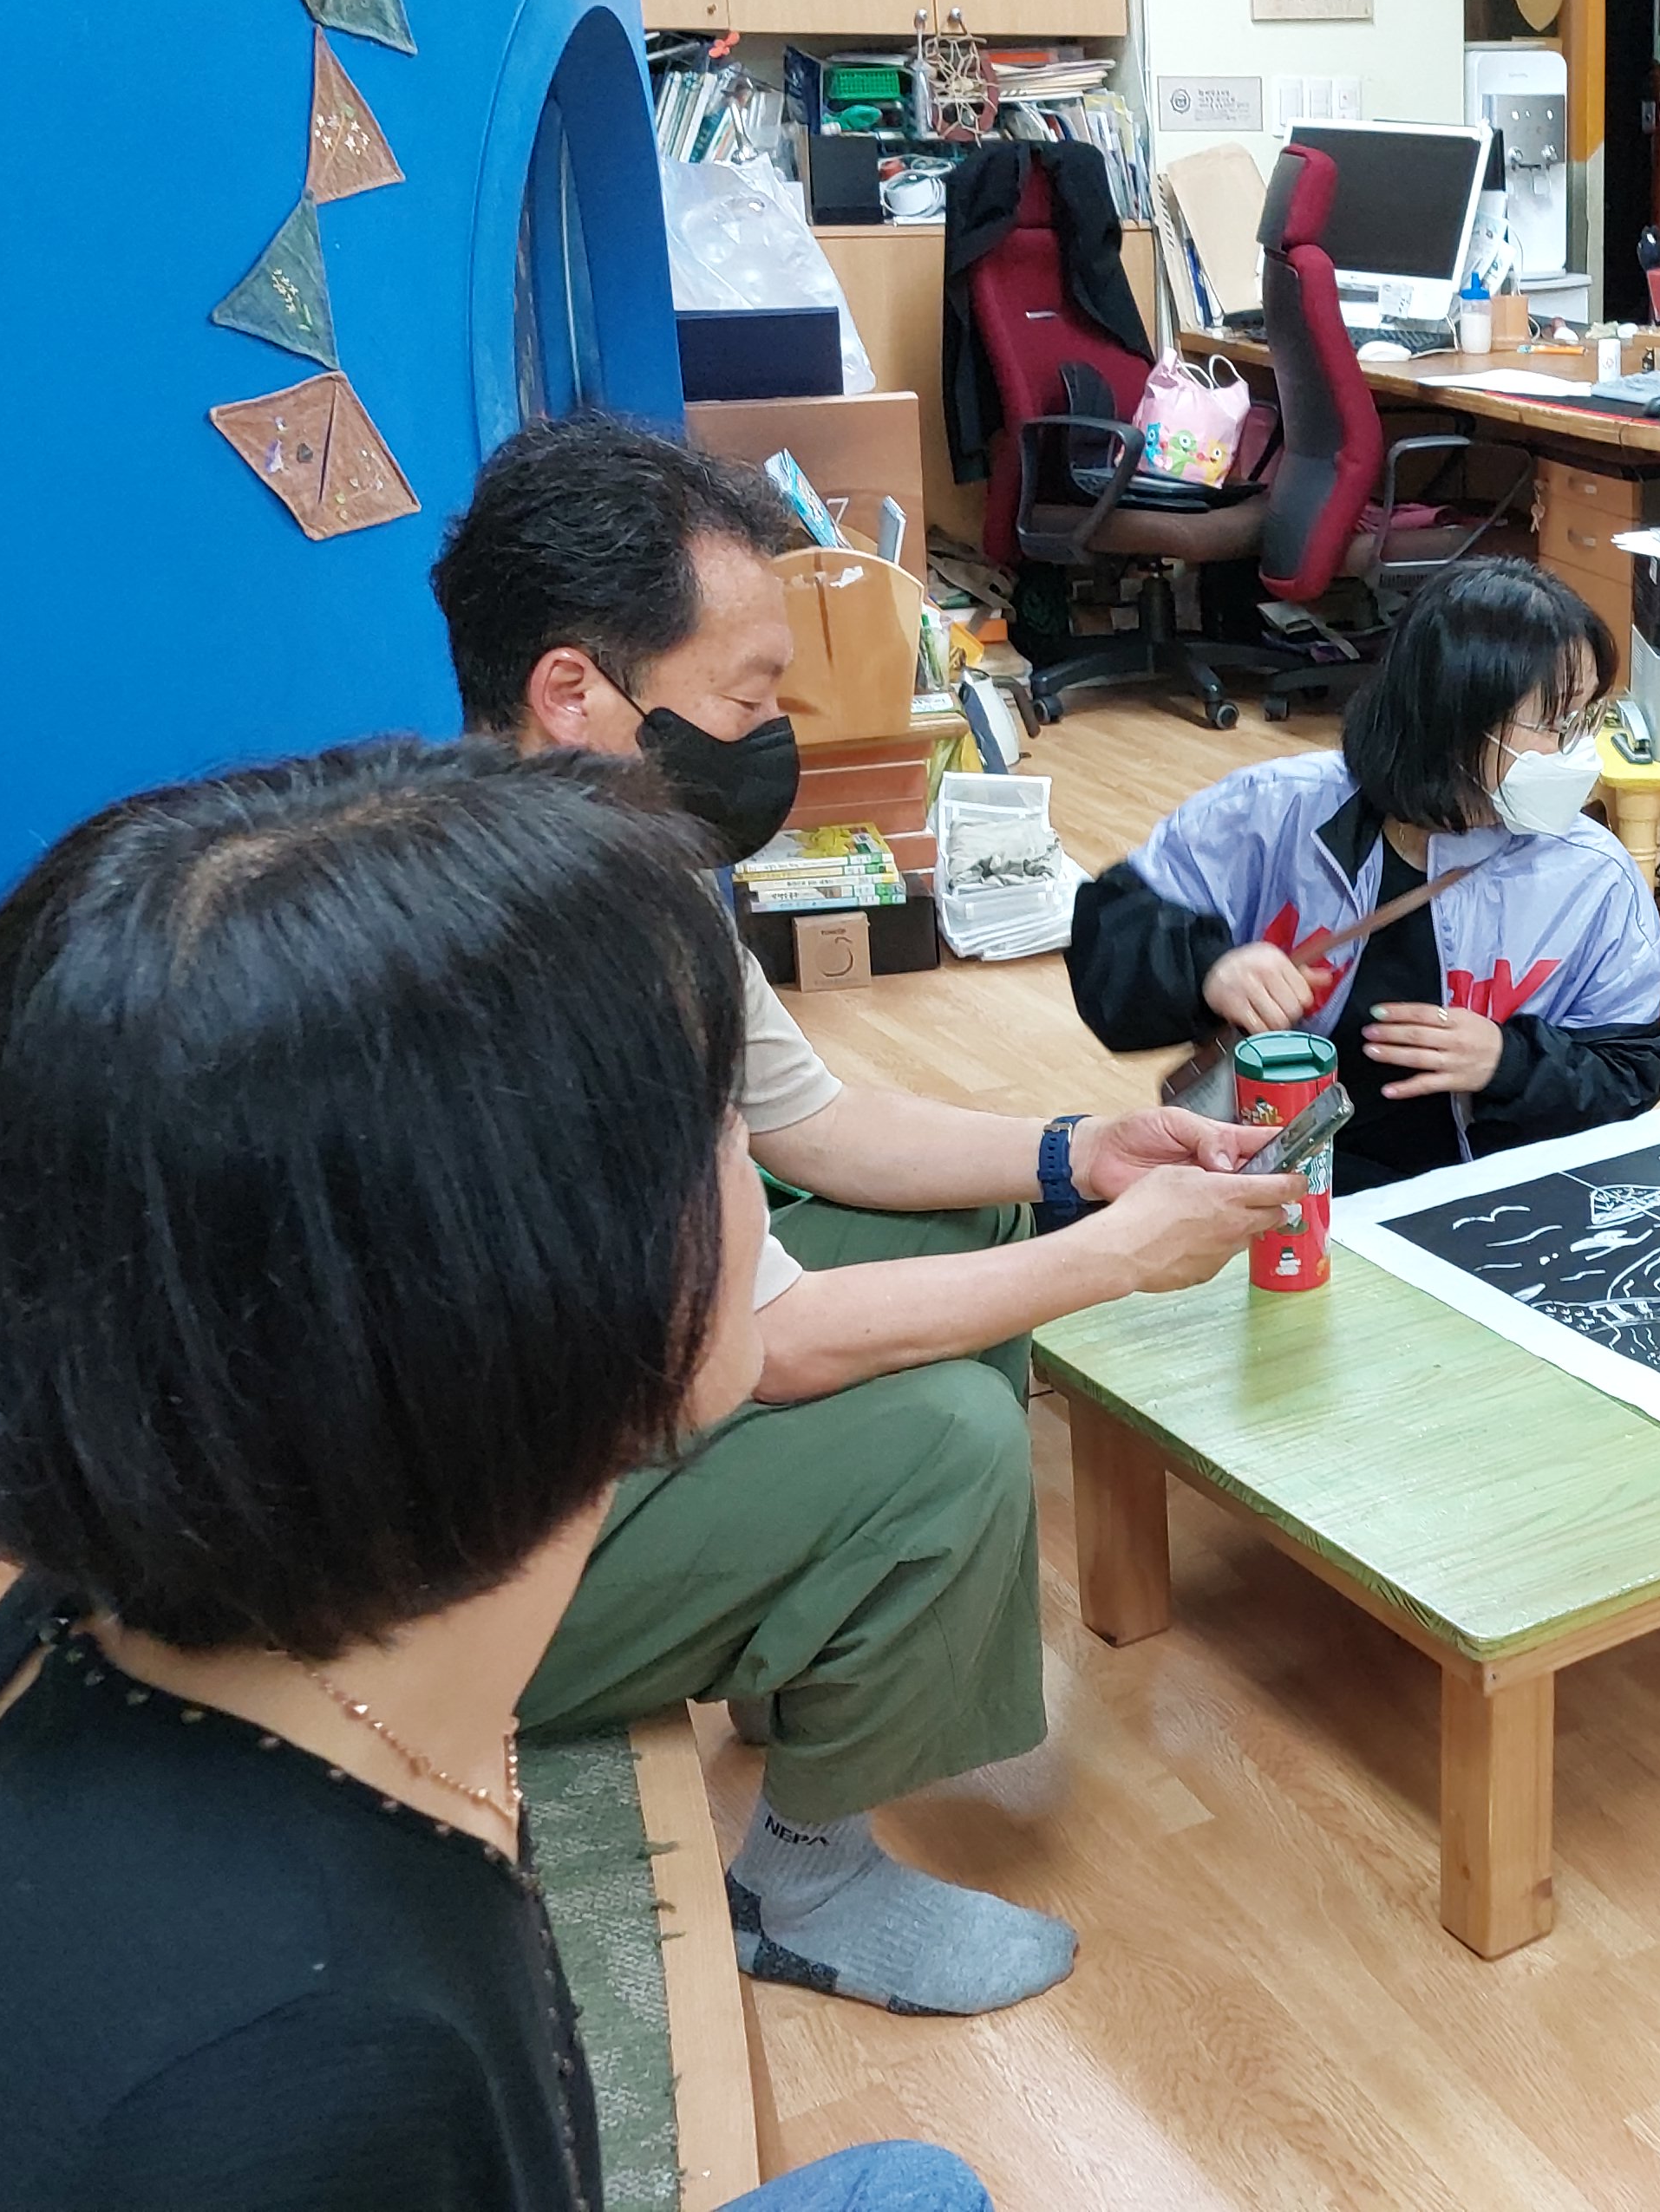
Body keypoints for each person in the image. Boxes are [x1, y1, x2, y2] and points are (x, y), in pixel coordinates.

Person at [0, 740, 1016, 2211]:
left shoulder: (125, 1608)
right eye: (721, 1132)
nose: (755, 1185)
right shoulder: (312, 2074)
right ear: (533, 1274)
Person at [431, 414, 1300, 2018]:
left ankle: (801, 1647)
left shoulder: (616, 859)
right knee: (944, 1443)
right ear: (572, 690)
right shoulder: (544, 957)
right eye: (749, 697)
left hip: (549, 1410)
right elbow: (759, 1348)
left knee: (973, 1235)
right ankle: (805, 1879)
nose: (775, 735)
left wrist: (1075, 1155)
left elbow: (813, 1120)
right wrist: (1113, 1258)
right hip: (453, 1587)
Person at [1064, 561, 1660, 1189]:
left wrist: (1507, 1063)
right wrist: (1210, 969)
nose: (1578, 750)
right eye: (1556, 722)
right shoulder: (1274, 810)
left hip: (1473, 1196)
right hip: (1261, 1173)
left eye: (1586, 718)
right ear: (1458, 714)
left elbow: (1631, 1070)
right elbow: (1111, 934)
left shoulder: (1593, 877)